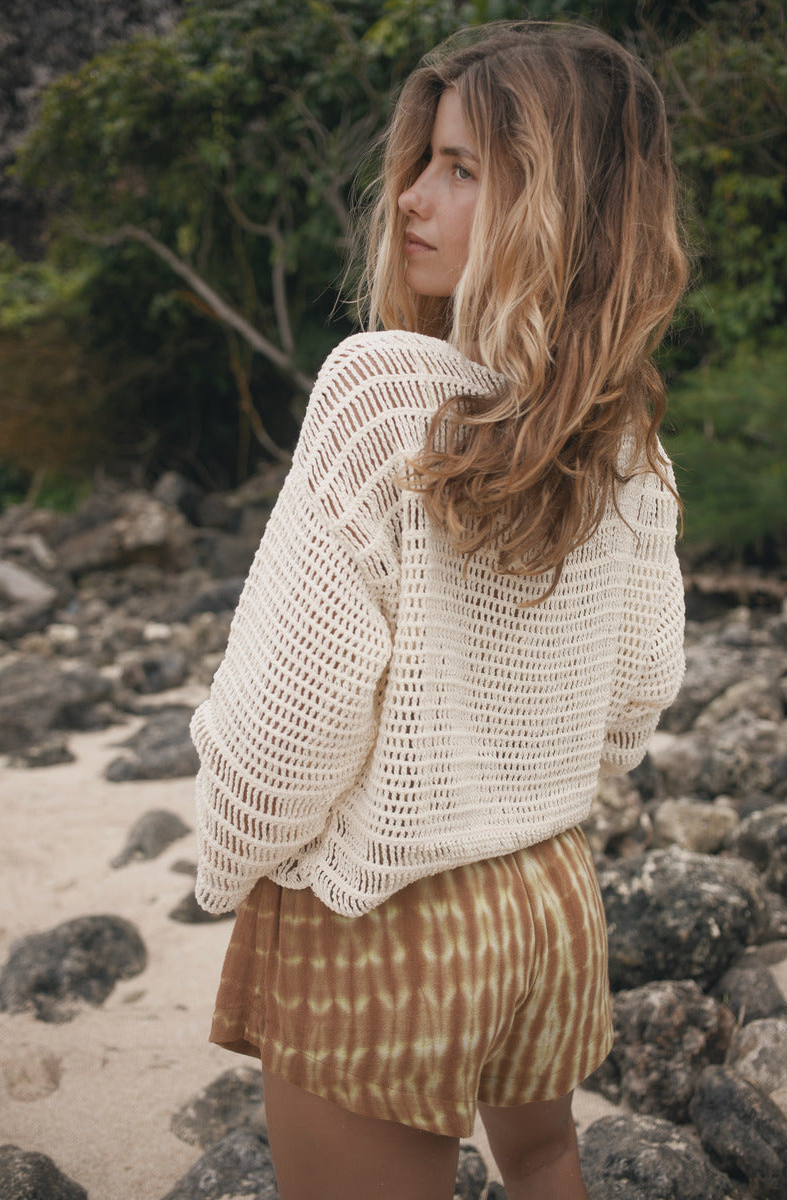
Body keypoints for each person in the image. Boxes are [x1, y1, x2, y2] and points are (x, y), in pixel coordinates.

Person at [190, 20, 689, 1200]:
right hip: (549, 900)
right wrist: (525, 786)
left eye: (462, 168)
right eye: (421, 161)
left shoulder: (379, 397)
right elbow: (634, 702)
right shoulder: (628, 444)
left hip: (382, 908)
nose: (410, 197)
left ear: (557, 206)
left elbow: (279, 747)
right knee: (548, 1161)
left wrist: (233, 855)